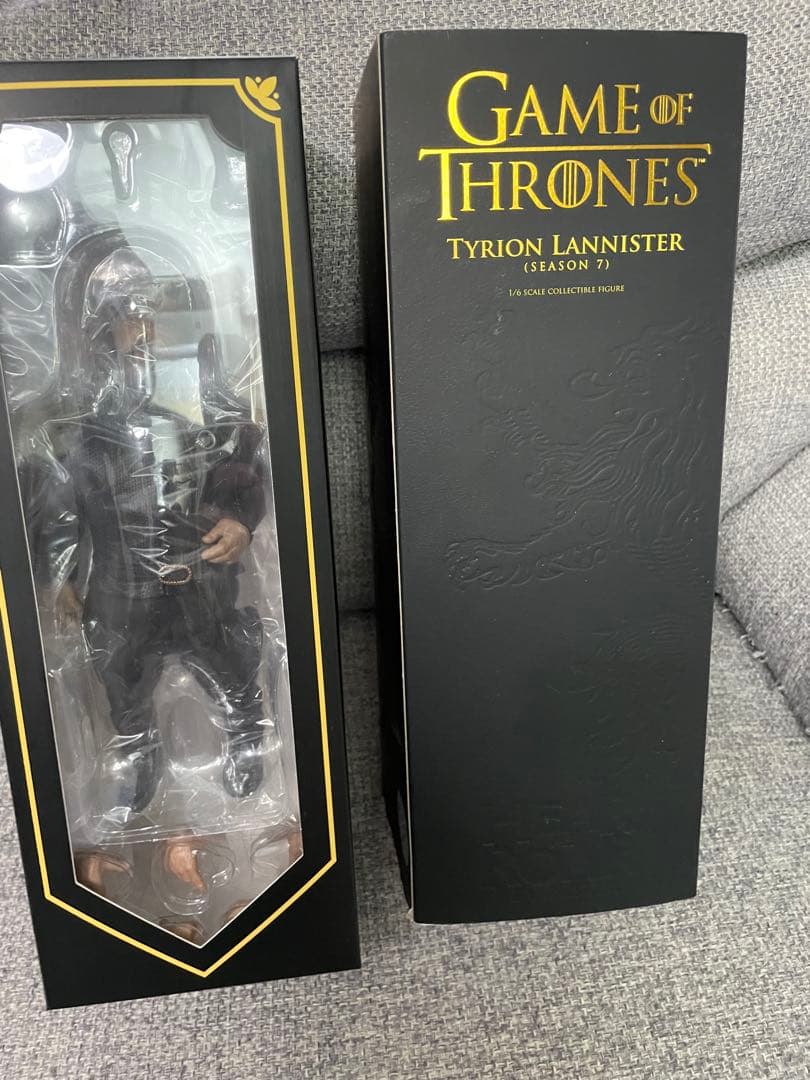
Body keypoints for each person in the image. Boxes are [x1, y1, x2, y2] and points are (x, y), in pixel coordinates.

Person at [36, 233, 269, 817]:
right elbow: (58, 497)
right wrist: (61, 573)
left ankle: (245, 729)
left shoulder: (204, 386)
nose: (145, 330)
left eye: (154, 312)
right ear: (99, 328)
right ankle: (139, 752)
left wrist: (240, 520)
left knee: (230, 661)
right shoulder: (79, 412)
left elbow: (243, 458)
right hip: (120, 580)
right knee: (121, 675)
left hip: (202, 572)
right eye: (128, 317)